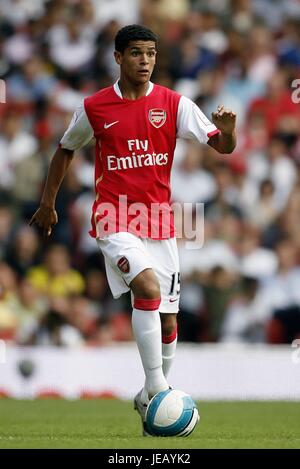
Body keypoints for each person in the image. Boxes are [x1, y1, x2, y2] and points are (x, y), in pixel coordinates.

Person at [29, 24, 236, 435]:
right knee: (146, 289)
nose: (145, 61)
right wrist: (48, 203)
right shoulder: (94, 108)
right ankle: (159, 388)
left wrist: (228, 133)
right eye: (137, 53)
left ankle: (147, 399)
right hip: (114, 217)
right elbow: (66, 149)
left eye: (152, 53)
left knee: (167, 322)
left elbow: (221, 146)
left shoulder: (174, 104)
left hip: (158, 221)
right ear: (118, 57)